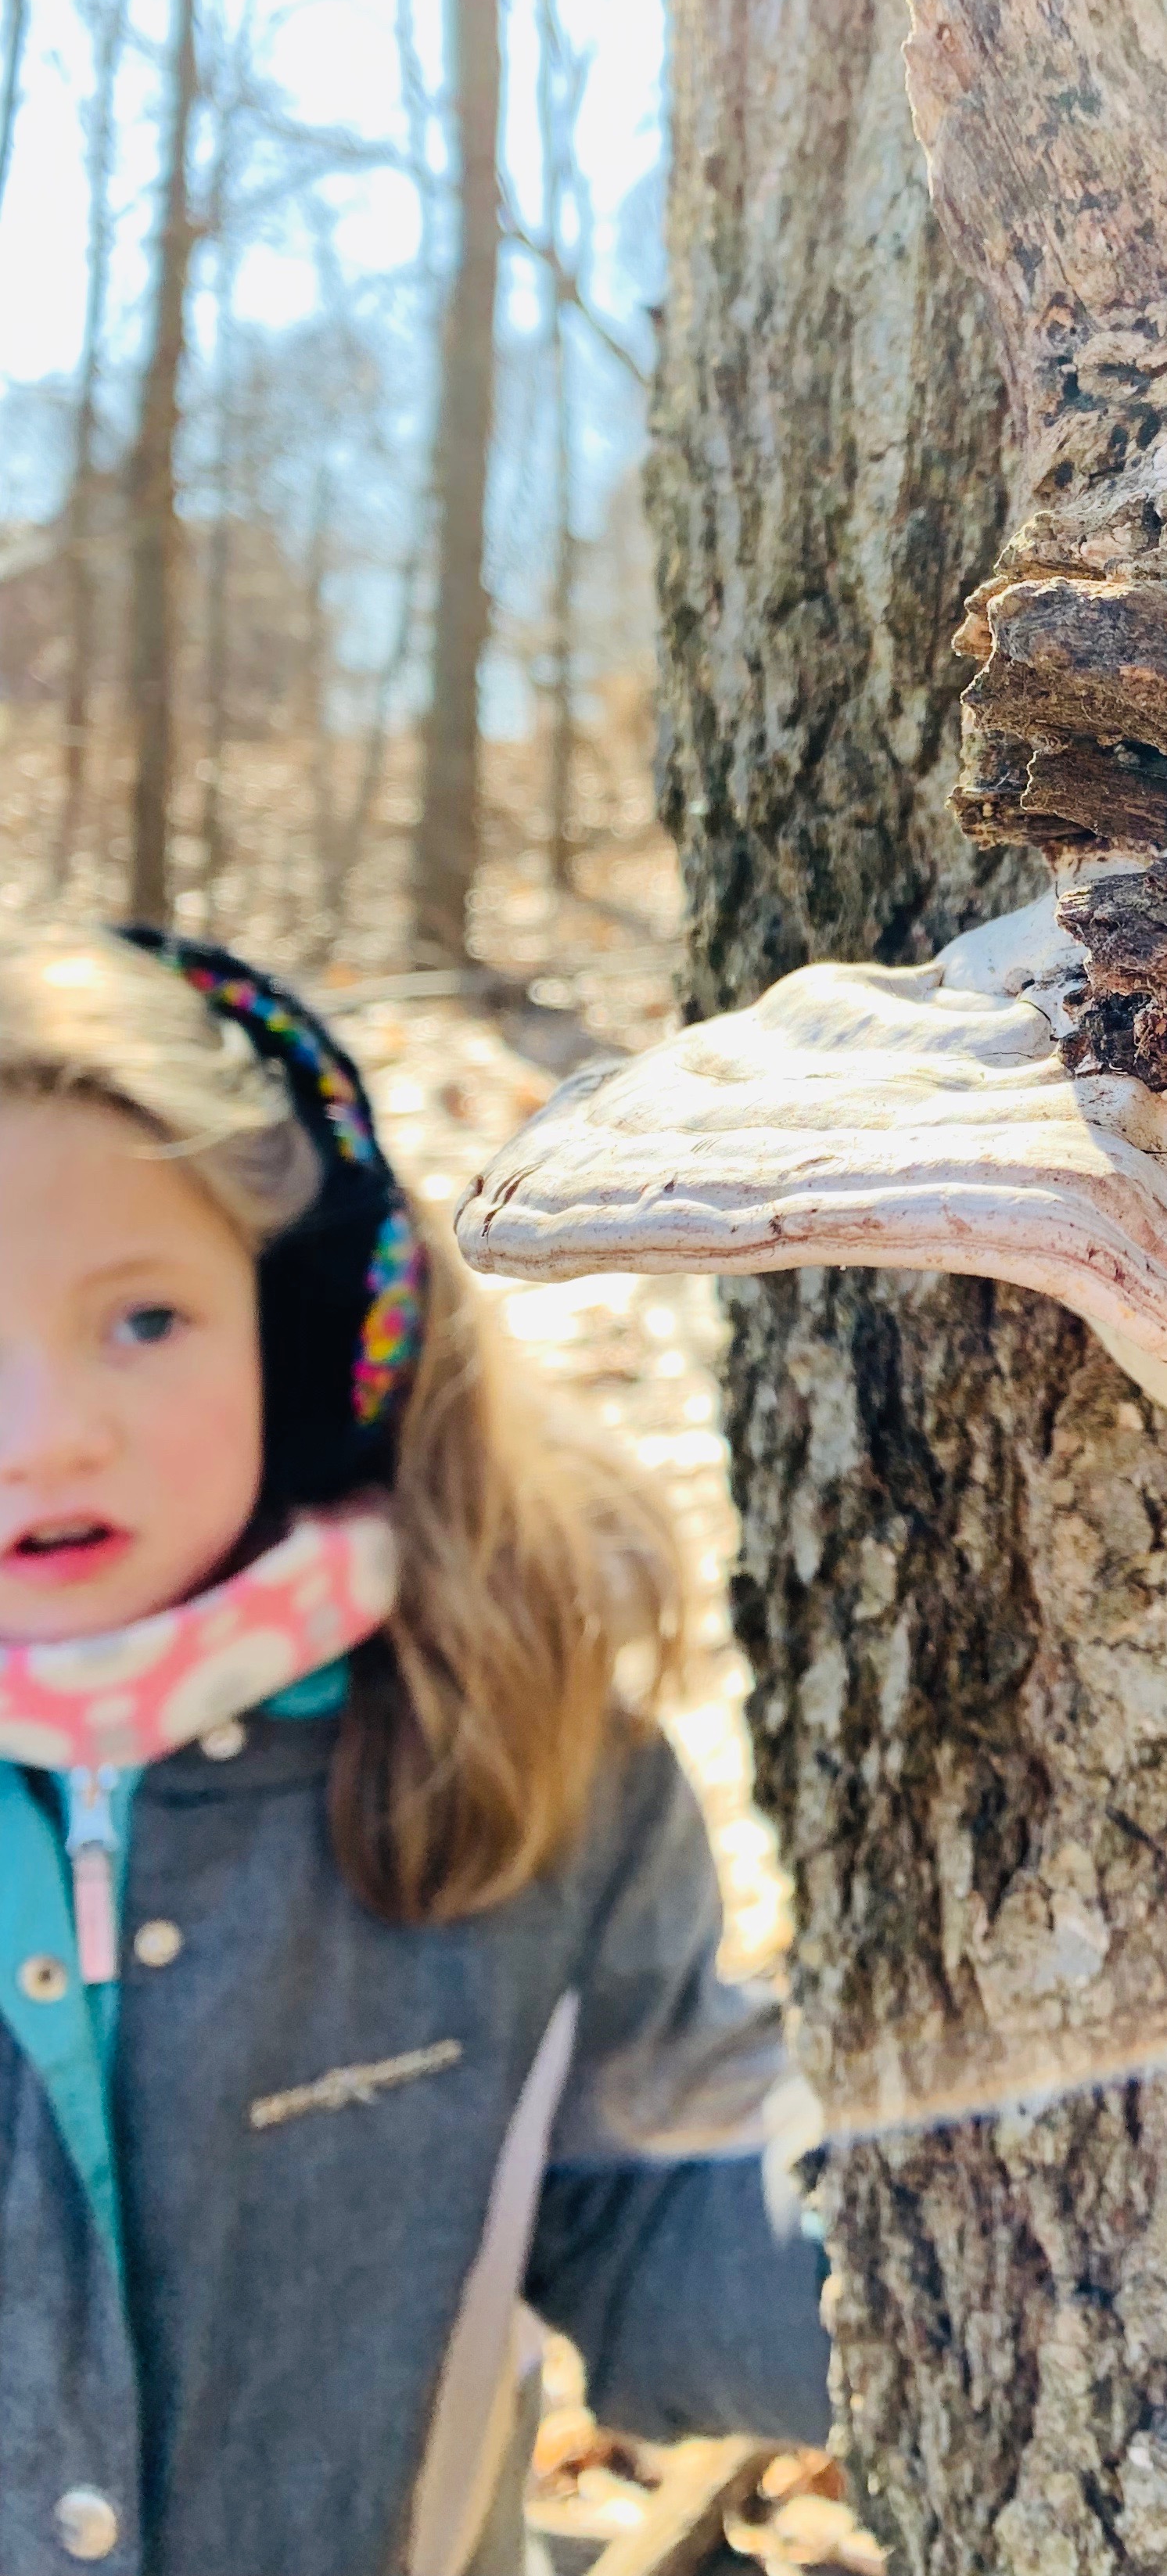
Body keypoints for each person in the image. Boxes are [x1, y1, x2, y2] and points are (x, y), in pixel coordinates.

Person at [0, 925, 831, 2576]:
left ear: (300, 1342)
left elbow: (657, 2222)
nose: (46, 1431)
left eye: (145, 1320)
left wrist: (958, 2255)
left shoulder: (507, 1764)